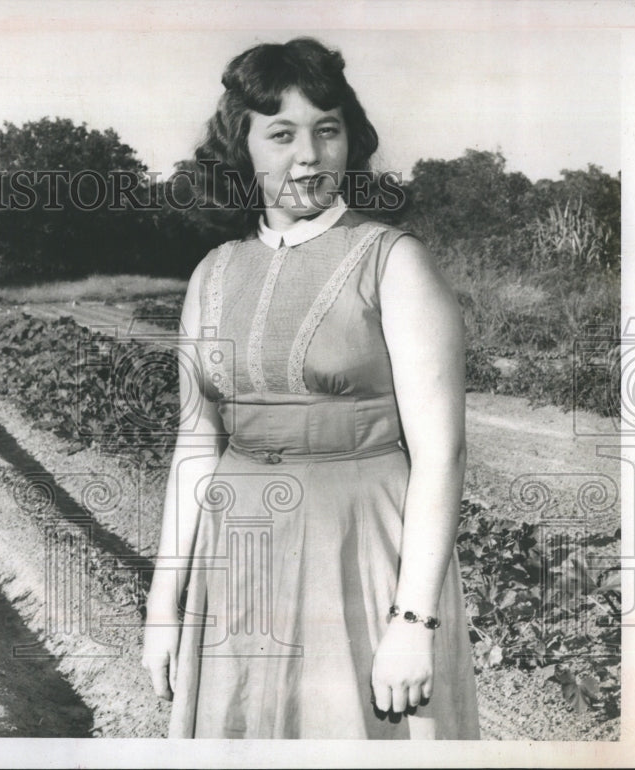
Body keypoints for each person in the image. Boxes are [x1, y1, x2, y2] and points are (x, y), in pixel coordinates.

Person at [141, 37, 481, 739]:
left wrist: (413, 620)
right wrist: (163, 605)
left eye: (328, 131)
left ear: (350, 141)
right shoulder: (213, 273)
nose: (309, 155)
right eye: (282, 134)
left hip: (359, 557)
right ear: (244, 147)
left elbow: (441, 455)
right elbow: (195, 446)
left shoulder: (395, 262)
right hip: (237, 557)